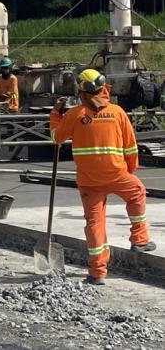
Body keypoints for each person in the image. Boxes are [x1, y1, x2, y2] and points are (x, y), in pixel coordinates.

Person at [50, 68, 156, 285]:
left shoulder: (74, 114)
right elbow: (131, 147)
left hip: (89, 180)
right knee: (136, 192)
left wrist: (55, 114)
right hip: (117, 174)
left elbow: (57, 138)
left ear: (81, 90)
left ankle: (97, 272)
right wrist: (129, 171)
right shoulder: (117, 113)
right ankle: (139, 240)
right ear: (103, 87)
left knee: (94, 223)